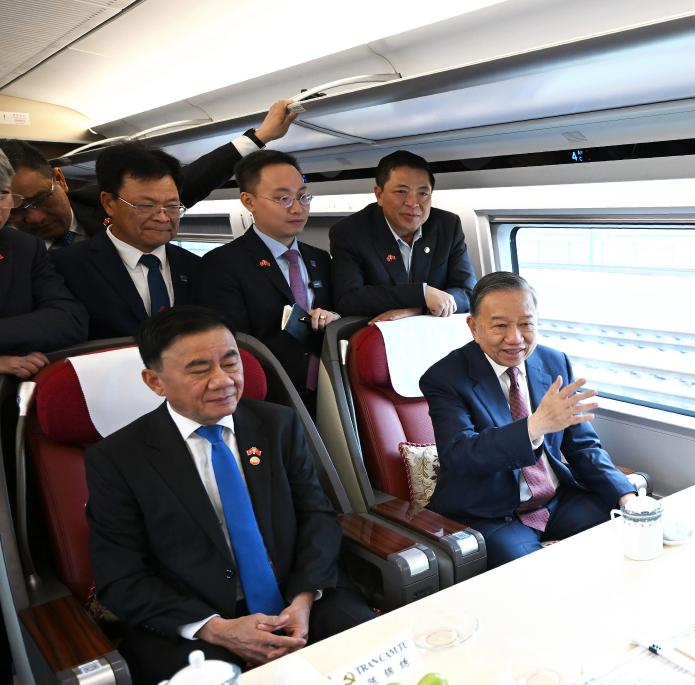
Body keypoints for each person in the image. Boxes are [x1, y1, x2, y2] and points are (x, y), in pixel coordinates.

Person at [85, 306, 373, 685]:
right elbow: (121, 576)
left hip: (299, 596)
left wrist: (304, 599)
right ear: (155, 381)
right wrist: (215, 628)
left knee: (369, 653)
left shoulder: (278, 425)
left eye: (230, 362)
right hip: (193, 622)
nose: (223, 380)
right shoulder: (117, 459)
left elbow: (317, 516)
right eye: (199, 369)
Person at [419, 272, 636, 568]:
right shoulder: (445, 378)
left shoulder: (554, 362)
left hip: (555, 500)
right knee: (531, 571)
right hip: (490, 511)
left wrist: (626, 495)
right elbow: (460, 455)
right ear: (474, 327)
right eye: (500, 326)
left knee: (623, 531)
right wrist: (534, 427)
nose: (515, 338)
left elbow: (583, 447)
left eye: (525, 324)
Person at [0, 99, 298, 250]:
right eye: (16, 209)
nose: (34, 217)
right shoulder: (13, 253)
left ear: (60, 180)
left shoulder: (106, 201)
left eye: (41, 199)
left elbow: (195, 178)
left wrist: (259, 137)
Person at [198, 150, 336, 408]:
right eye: (283, 198)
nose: (298, 208)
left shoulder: (320, 258)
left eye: (303, 196)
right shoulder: (222, 264)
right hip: (268, 396)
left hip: (328, 390)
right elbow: (233, 343)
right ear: (248, 201)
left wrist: (333, 319)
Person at [50, 142, 201, 339]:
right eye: (146, 206)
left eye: (172, 206)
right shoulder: (66, 267)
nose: (163, 218)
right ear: (108, 203)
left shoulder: (196, 266)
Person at [328, 150, 476, 323]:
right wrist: (421, 294)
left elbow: (468, 293)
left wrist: (418, 309)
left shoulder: (447, 226)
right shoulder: (350, 232)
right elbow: (348, 299)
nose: (413, 203)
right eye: (401, 192)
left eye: (423, 193)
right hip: (378, 331)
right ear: (379, 194)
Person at [0, 148, 87, 377]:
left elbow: (69, 319)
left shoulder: (23, 247)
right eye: (19, 210)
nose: (35, 217)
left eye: (2, 194)